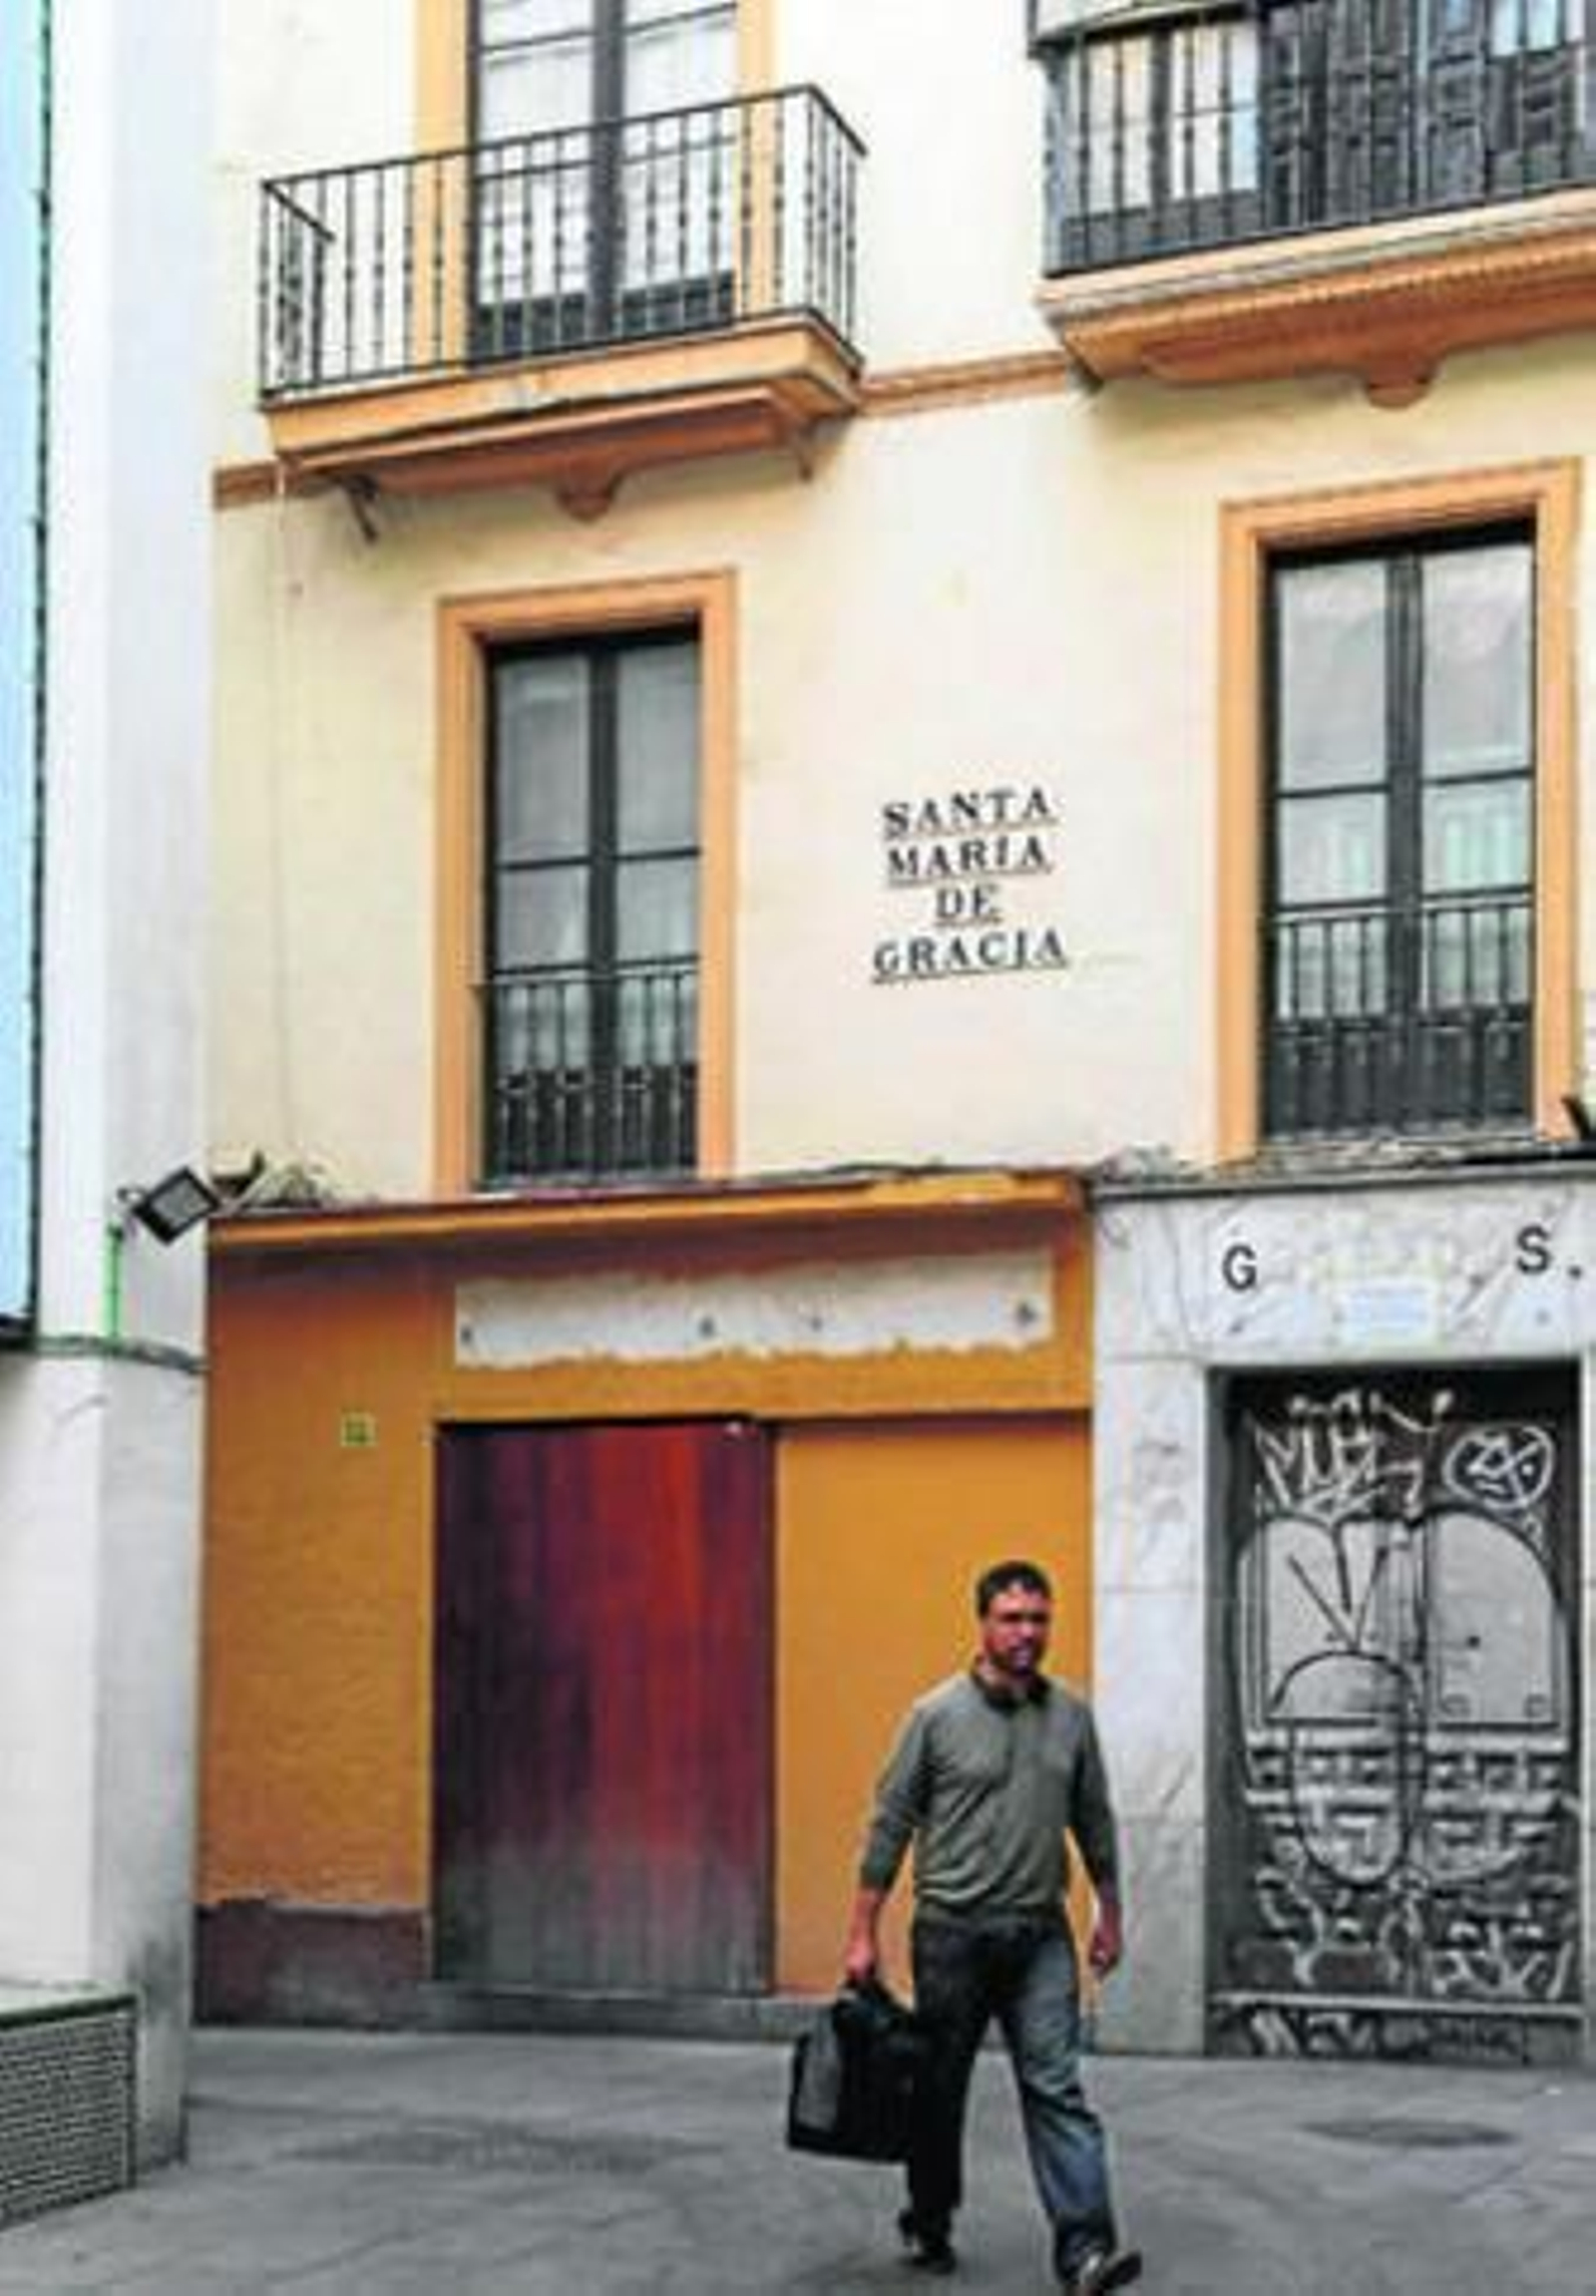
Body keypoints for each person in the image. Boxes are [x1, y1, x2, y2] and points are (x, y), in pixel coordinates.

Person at [843, 1559, 1141, 2295]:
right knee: (939, 2092)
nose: (1027, 1633)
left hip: (1040, 1937)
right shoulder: (934, 1716)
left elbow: (1093, 1820)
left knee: (1056, 2085)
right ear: (981, 1624)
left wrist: (1109, 1912)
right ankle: (930, 2216)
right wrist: (862, 1933)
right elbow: (890, 1825)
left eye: (1038, 1618)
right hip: (952, 1936)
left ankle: (1085, 2251)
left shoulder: (1071, 1716)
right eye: (1011, 1618)